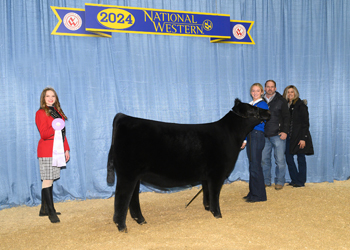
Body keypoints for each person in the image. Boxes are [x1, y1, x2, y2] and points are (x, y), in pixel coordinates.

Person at [35, 87, 70, 223]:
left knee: (51, 178)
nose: (50, 98)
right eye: (48, 96)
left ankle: (44, 209)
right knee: (47, 180)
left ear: (56, 99)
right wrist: (54, 126)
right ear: (43, 98)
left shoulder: (57, 112)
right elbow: (44, 134)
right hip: (46, 150)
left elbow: (62, 133)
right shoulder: (40, 113)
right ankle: (51, 212)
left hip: (57, 150)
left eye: (53, 96)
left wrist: (66, 149)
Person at [241, 83, 269, 202]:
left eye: (258, 90)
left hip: (257, 135)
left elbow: (257, 121)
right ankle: (253, 192)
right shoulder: (250, 105)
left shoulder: (262, 104)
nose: (255, 92)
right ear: (251, 92)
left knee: (255, 165)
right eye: (253, 90)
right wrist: (244, 139)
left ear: (262, 92)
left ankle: (259, 195)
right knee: (253, 164)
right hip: (251, 135)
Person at [283, 85, 314, 187]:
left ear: (295, 93)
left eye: (292, 92)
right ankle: (294, 179)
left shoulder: (301, 105)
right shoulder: (285, 106)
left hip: (300, 136)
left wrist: (303, 138)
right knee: (289, 158)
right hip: (289, 137)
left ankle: (301, 181)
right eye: (288, 92)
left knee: (301, 158)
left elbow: (305, 123)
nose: (290, 94)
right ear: (286, 94)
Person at [261, 80, 290, 190]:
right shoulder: (260, 100)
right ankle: (265, 181)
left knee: (280, 160)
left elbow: (287, 117)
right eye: (268, 87)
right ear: (264, 88)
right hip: (264, 135)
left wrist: (285, 131)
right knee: (264, 160)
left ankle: (279, 182)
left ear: (275, 88)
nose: (270, 88)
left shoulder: (281, 101)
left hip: (278, 135)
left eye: (272, 87)